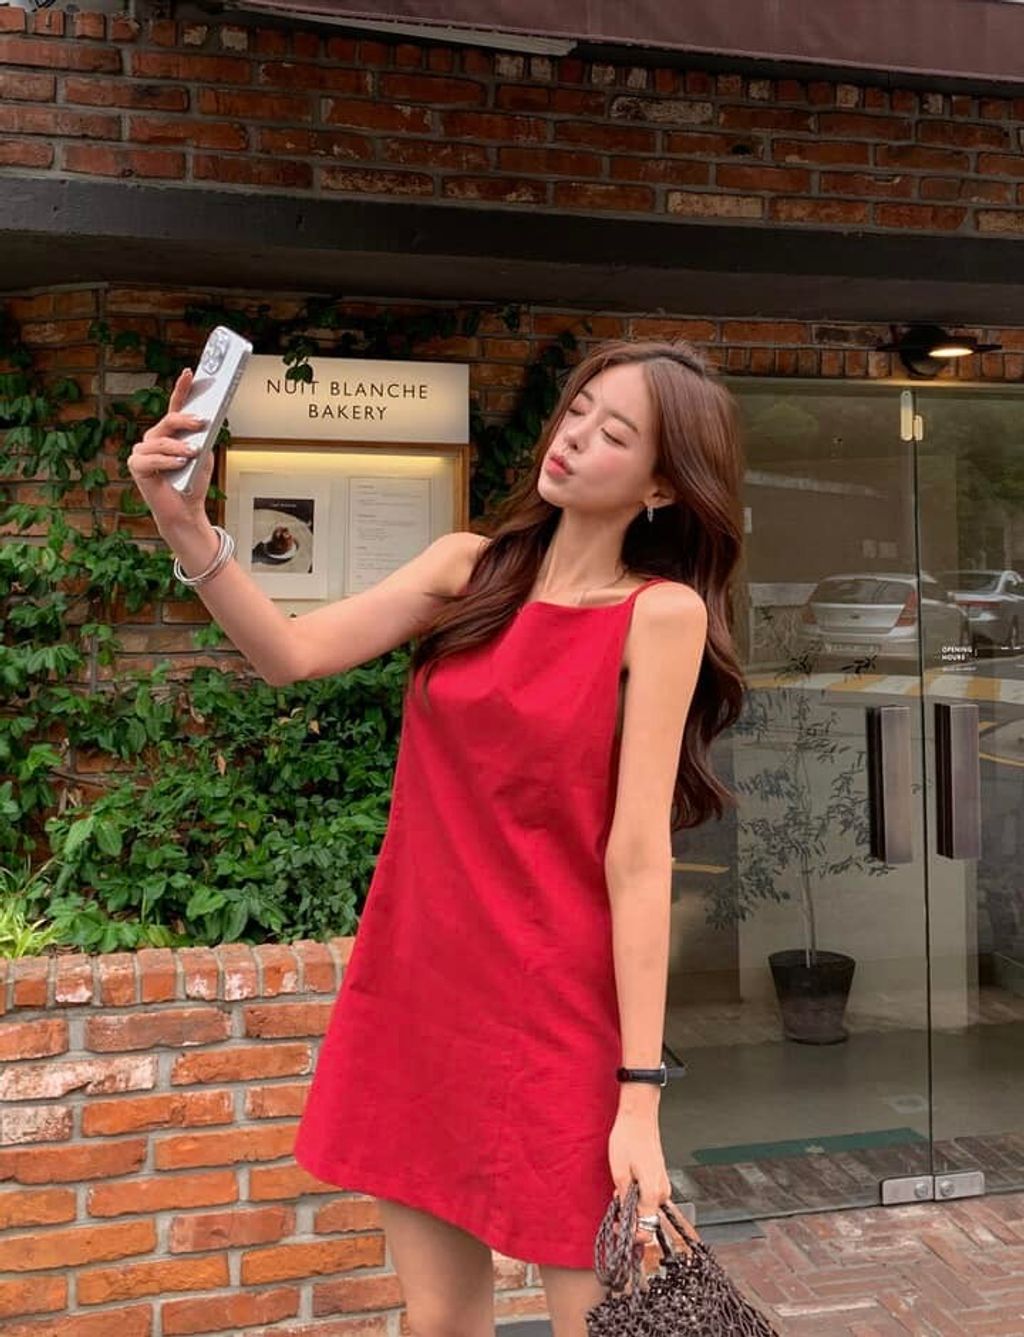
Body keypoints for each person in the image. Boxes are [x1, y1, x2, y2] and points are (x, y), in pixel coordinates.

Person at [129, 337, 746, 1337]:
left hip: (558, 1015)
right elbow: (290, 653)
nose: (574, 437)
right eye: (578, 410)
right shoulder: (468, 568)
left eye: (615, 433)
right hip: (421, 993)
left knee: (605, 1320)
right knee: (440, 1315)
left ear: (662, 485)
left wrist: (640, 1094)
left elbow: (637, 857)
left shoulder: (657, 615)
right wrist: (183, 521)